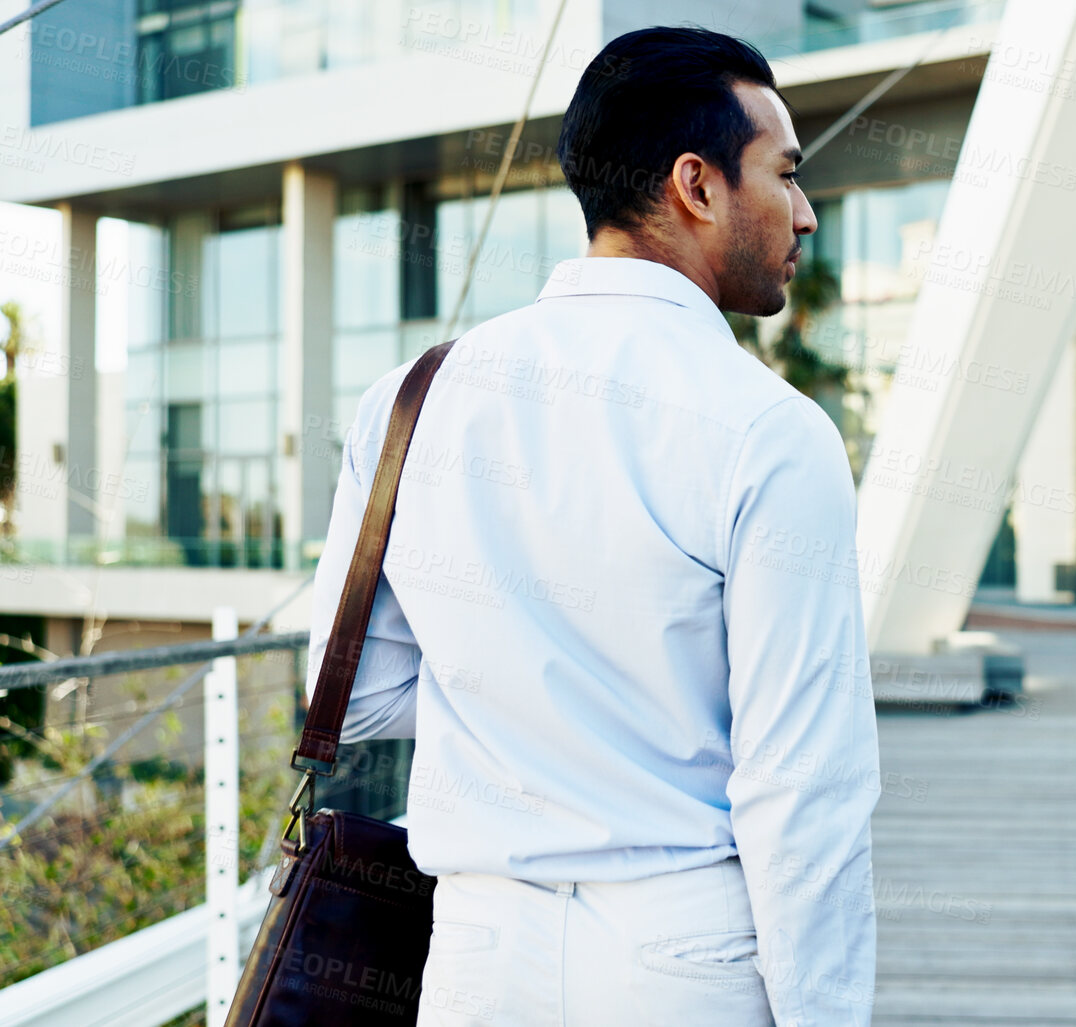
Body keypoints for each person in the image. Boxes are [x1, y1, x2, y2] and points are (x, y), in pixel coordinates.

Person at [304, 27, 878, 1027]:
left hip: (475, 957)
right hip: (686, 956)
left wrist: (526, 702)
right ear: (695, 185)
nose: (806, 213)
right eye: (784, 176)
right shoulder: (771, 432)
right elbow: (803, 791)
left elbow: (352, 699)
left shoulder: (413, 396)